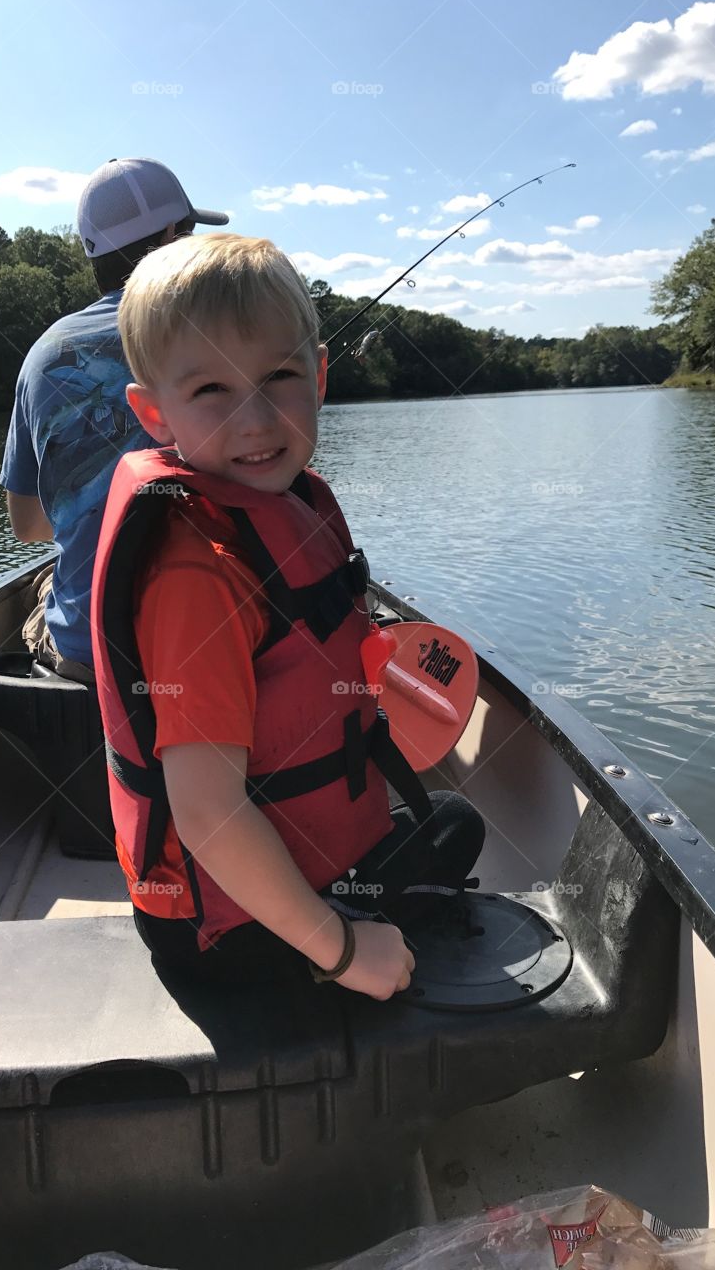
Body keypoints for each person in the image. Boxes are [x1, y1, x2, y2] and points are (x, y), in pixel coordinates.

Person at [91, 234, 485, 1000]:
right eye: (211, 389)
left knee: (452, 822)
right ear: (153, 412)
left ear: (320, 376)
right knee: (454, 829)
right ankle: (322, 966)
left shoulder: (282, 504)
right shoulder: (197, 572)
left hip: (288, 873)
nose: (256, 419)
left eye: (279, 376)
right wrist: (344, 949)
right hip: (227, 933)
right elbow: (206, 813)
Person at [0, 158, 229, 682]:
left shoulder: (44, 355)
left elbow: (27, 525)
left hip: (92, 655)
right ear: (173, 237)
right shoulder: (227, 331)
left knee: (45, 588)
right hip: (220, 644)